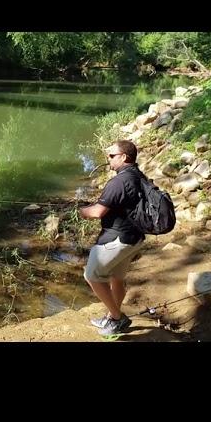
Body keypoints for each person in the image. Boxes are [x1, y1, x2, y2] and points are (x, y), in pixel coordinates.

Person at [79, 140, 145, 336]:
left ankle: (117, 318)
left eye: (112, 155)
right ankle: (111, 316)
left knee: (91, 275)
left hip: (118, 239)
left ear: (124, 157)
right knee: (117, 279)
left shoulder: (118, 181)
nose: (108, 159)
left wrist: (83, 210)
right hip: (135, 238)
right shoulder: (138, 175)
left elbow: (98, 212)